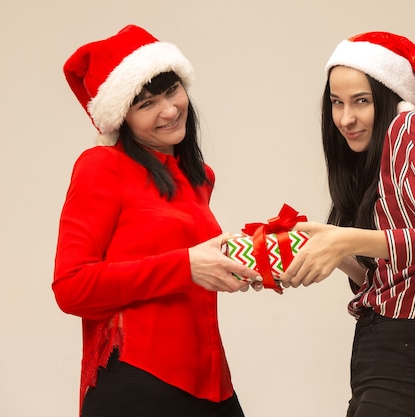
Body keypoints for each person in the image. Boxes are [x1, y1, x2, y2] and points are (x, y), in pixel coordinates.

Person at [53, 24, 261, 417]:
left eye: (171, 91)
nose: (168, 109)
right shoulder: (101, 166)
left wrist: (243, 262)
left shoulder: (199, 177)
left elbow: (188, 270)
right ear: (122, 117)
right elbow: (71, 286)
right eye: (145, 103)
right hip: (137, 384)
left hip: (212, 385)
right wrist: (186, 266)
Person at [280, 32, 415, 417]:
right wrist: (330, 248)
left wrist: (345, 239)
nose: (345, 118)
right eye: (336, 103)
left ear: (390, 97)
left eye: (362, 101)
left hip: (407, 355)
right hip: (383, 357)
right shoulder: (383, 155)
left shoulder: (412, 131)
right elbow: (391, 278)